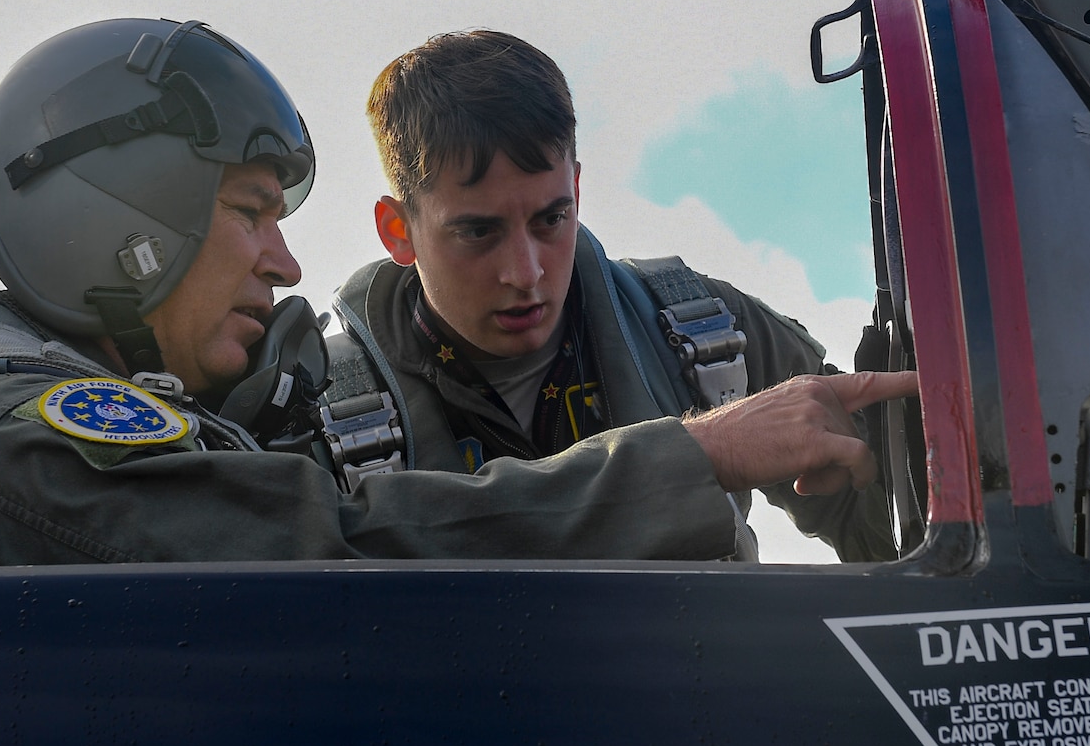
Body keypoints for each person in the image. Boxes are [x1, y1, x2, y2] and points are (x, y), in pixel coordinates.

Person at [0, 18, 913, 570]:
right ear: (133, 228)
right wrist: (702, 453)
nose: (281, 261)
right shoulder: (25, 448)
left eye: (549, 218)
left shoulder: (698, 332)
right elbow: (344, 552)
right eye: (250, 213)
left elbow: (915, 522)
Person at [326, 30, 897, 561]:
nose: (525, 273)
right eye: (479, 232)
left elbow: (896, 534)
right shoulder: (314, 417)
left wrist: (904, 455)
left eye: (552, 218)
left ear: (576, 186)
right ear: (398, 230)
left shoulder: (711, 337)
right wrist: (704, 451)